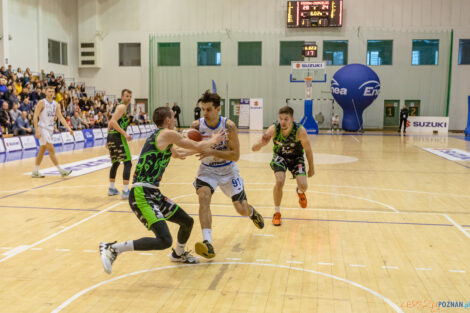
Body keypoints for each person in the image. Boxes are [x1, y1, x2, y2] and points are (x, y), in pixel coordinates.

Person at [99, 106, 225, 274]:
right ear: (167, 120)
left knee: (187, 222)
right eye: (173, 118)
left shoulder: (162, 137)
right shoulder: (167, 134)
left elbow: (178, 153)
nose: (174, 120)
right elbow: (195, 144)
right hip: (141, 193)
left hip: (153, 193)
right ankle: (113, 248)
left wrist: (203, 148)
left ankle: (178, 254)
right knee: (164, 240)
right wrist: (213, 141)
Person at [191, 90, 264, 259]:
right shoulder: (196, 126)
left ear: (218, 109)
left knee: (241, 209)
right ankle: (207, 242)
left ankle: (252, 212)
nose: (205, 113)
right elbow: (190, 146)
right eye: (203, 109)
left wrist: (211, 151)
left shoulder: (228, 126)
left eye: (209, 109)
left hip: (228, 170)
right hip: (207, 170)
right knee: (203, 196)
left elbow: (235, 155)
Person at [252, 106, 314, 226]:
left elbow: (308, 149)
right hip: (280, 157)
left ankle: (300, 192)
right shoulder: (274, 129)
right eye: (281, 119)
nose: (283, 122)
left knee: (304, 186)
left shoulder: (300, 131)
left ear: (292, 119)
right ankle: (277, 212)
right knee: (280, 181)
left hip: (296, 158)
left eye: (286, 119)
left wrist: (312, 167)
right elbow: (255, 146)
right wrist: (260, 145)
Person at [32, 86, 73, 178]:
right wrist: (36, 131)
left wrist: (69, 128)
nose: (51, 93)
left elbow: (61, 117)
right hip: (42, 128)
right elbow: (35, 116)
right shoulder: (42, 103)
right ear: (45, 93)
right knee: (51, 149)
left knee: (42, 150)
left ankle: (35, 171)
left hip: (50, 130)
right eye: (49, 91)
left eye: (52, 91)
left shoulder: (56, 104)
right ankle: (61, 170)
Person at [106, 89, 133, 199]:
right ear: (122, 97)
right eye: (127, 96)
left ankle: (112, 188)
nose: (129, 98)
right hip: (118, 136)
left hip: (112, 136)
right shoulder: (122, 107)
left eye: (130, 96)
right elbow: (113, 122)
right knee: (128, 163)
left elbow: (110, 121)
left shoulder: (120, 108)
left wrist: (107, 139)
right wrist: (125, 134)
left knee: (116, 162)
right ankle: (126, 191)